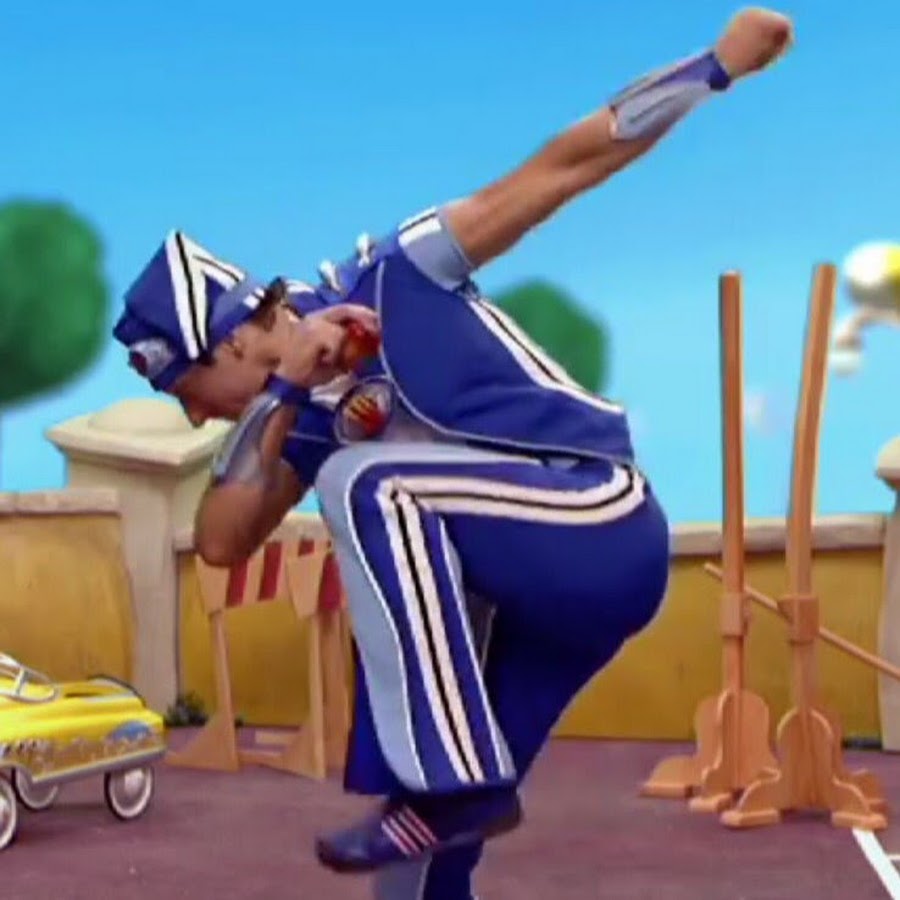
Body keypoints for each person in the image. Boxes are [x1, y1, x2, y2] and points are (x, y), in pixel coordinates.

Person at [112, 8, 792, 897]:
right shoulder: (295, 420)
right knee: (421, 849)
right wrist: (286, 392)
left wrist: (716, 66)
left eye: (190, 390)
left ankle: (454, 778)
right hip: (528, 615)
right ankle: (449, 794)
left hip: (598, 519)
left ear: (232, 339)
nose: (199, 417)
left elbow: (566, 163)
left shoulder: (399, 270)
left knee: (362, 482)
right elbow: (219, 541)